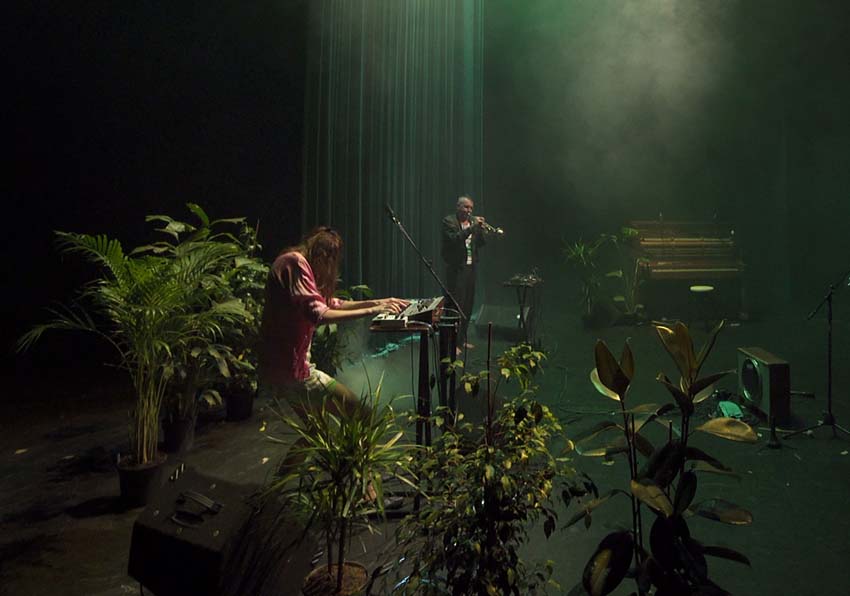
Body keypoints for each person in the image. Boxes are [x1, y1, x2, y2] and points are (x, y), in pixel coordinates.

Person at [258, 226, 407, 420]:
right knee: (361, 413)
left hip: (284, 369)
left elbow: (331, 303)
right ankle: (351, 450)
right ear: (321, 255)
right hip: (294, 372)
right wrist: (373, 310)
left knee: (314, 437)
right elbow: (319, 314)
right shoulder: (295, 262)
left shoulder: (294, 261)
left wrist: (378, 302)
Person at [441, 196, 488, 353]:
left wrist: (480, 231)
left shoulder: (472, 223)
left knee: (468, 304)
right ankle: (452, 343)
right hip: (456, 269)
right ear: (458, 207)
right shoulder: (449, 221)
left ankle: (461, 340)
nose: (469, 211)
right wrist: (471, 229)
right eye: (466, 207)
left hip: (470, 268)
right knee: (456, 305)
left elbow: (480, 244)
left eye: (471, 208)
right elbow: (455, 239)